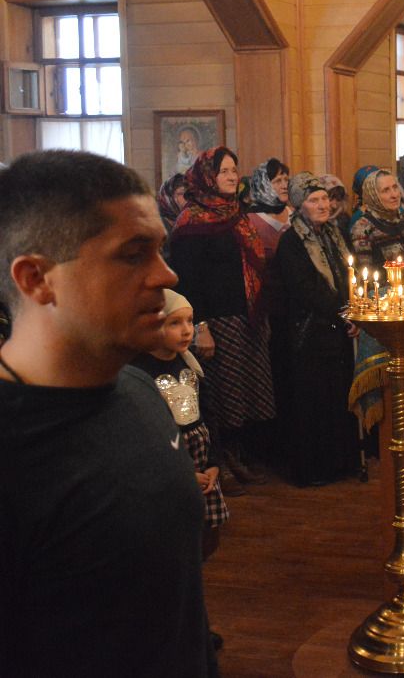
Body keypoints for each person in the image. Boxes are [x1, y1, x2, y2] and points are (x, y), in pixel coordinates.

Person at [0, 150, 215, 676]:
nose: (166, 275)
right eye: (133, 255)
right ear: (37, 279)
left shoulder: (140, 390)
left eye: (160, 250)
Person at [168, 147, 274, 488]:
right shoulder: (192, 221)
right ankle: (220, 463)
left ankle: (238, 456)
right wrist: (200, 327)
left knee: (244, 394)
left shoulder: (235, 212)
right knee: (222, 397)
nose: (231, 176)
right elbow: (188, 282)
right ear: (207, 177)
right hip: (215, 323)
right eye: (223, 171)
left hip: (245, 317)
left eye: (233, 170)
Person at [274, 173, 360, 487]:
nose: (323, 205)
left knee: (338, 398)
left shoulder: (336, 233)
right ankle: (316, 469)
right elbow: (304, 288)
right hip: (309, 331)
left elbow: (349, 273)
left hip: (338, 328)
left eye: (325, 198)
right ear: (300, 205)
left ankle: (342, 462)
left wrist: (354, 311)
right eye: (314, 200)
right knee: (314, 402)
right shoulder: (291, 241)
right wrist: (342, 311)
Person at [129, 289, 230, 555]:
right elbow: (145, 434)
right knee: (173, 541)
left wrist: (214, 462)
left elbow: (208, 415)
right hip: (168, 466)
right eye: (174, 323)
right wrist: (179, 472)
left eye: (190, 321)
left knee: (206, 540)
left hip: (201, 464)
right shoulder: (138, 373)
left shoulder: (190, 366)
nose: (187, 331)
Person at [348, 167, 404, 271]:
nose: (394, 195)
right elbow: (365, 273)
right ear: (373, 196)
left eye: (395, 187)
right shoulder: (362, 229)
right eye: (385, 190)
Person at [244, 158, 292, 261]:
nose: (285, 186)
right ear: (263, 185)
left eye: (286, 180)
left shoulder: (294, 213)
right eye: (278, 181)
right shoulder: (250, 220)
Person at [157, 172, 189, 238]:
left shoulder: (191, 221)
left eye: (189, 193)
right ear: (168, 198)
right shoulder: (159, 227)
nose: (187, 197)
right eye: (181, 193)